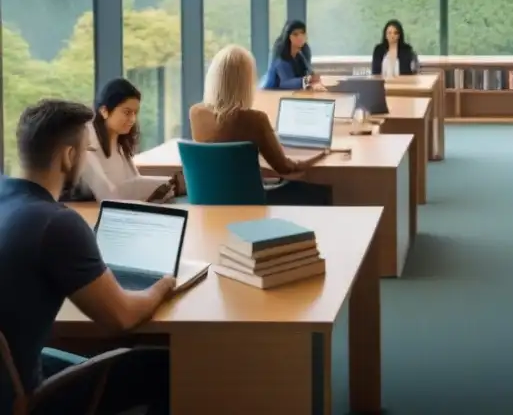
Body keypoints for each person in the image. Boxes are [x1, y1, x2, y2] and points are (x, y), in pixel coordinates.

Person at [0, 100, 172, 415]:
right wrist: (163, 285)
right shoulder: (57, 223)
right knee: (165, 367)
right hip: (23, 397)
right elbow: (122, 317)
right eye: (87, 150)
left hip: (9, 373)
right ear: (69, 156)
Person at [190, 45, 331, 206]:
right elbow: (284, 168)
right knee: (321, 192)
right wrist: (318, 156)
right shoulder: (255, 120)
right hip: (251, 200)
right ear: (245, 82)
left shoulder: (196, 113)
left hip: (211, 201)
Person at [69, 78, 183, 203]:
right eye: (127, 112)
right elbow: (108, 194)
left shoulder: (121, 144)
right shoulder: (86, 145)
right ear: (104, 111)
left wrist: (169, 186)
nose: (133, 119)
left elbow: (134, 183)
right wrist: (172, 184)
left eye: (135, 113)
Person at [263, 19, 323, 91]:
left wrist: (313, 78)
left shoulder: (304, 51)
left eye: (302, 33)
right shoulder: (281, 54)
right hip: (274, 93)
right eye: (295, 34)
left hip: (297, 93)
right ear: (288, 37)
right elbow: (284, 82)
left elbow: (309, 71)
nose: (300, 37)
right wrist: (305, 80)